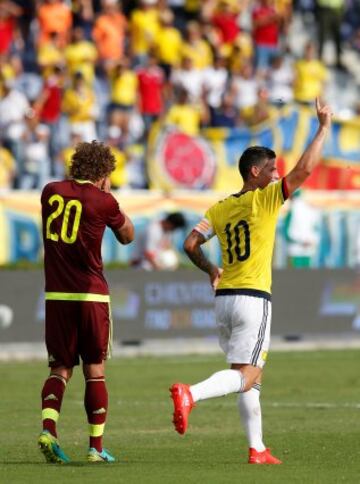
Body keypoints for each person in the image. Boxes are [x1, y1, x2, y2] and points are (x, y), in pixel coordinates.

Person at [169, 98, 332, 464]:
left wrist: (212, 270)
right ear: (255, 172)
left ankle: (257, 448)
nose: (278, 174)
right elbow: (305, 170)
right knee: (249, 373)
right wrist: (322, 128)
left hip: (224, 299)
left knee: (247, 377)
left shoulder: (221, 208)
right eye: (272, 169)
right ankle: (190, 394)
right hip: (253, 299)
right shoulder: (267, 199)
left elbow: (190, 243)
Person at [38, 140, 134, 463]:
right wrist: (110, 199)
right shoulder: (104, 201)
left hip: (57, 295)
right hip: (91, 294)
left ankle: (49, 430)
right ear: (103, 172)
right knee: (95, 371)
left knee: (59, 368)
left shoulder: (50, 191)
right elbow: (128, 235)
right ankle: (95, 448)